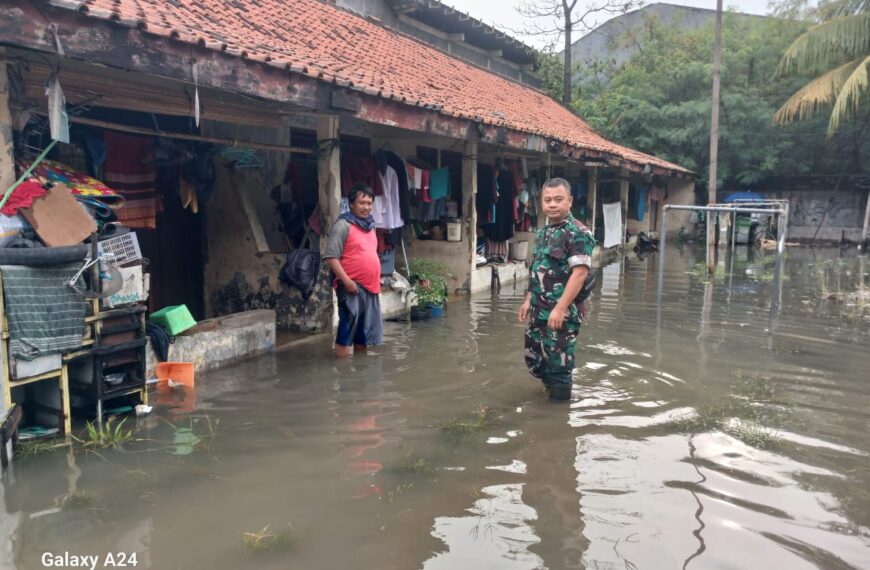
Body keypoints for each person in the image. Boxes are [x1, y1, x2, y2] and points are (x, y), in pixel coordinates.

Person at [518, 177, 595, 401]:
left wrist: (561, 308)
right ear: (541, 203)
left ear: (570, 201)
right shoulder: (544, 233)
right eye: (548, 200)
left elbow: (580, 274)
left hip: (562, 313)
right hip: (538, 309)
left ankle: (558, 422)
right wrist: (527, 299)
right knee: (532, 358)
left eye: (558, 200)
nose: (552, 204)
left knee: (560, 367)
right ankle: (548, 389)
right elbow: (538, 269)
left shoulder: (578, 233)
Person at [324, 183, 384, 358]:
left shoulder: (370, 226)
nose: (366, 207)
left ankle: (360, 372)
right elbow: (331, 257)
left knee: (363, 332)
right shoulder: (342, 225)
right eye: (361, 203)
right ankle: (342, 374)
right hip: (350, 286)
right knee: (346, 328)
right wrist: (347, 281)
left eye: (369, 203)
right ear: (351, 204)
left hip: (370, 287)